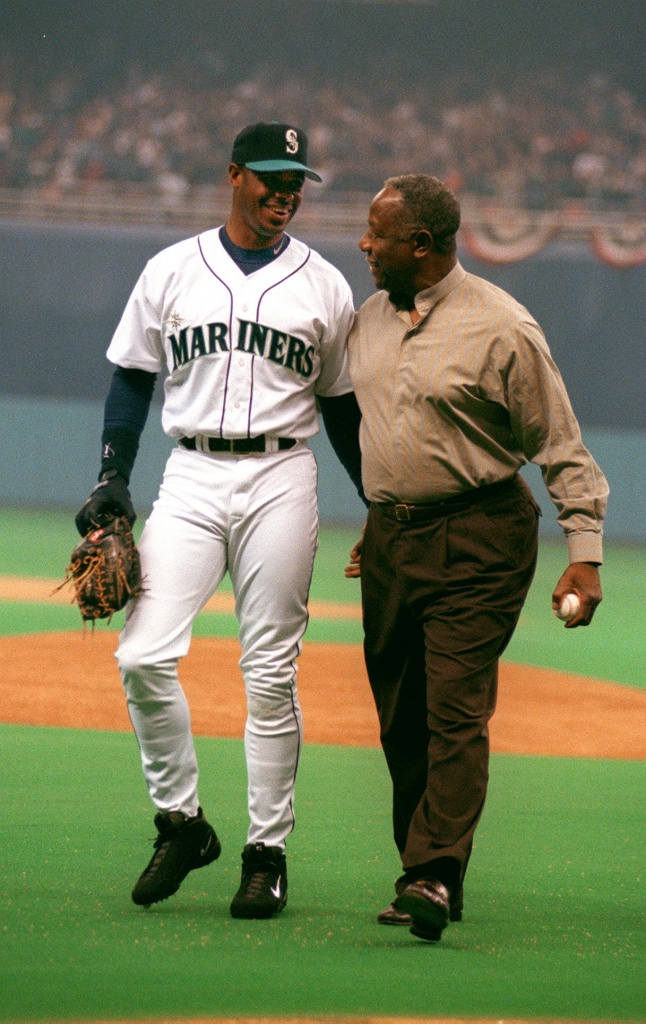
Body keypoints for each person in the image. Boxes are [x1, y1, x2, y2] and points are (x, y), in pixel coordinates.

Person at [75, 122, 363, 919]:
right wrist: (111, 477)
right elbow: (132, 378)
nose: (285, 193)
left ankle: (266, 854)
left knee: (270, 674)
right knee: (141, 654)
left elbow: (340, 409)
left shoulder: (325, 285)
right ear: (233, 175)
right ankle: (182, 823)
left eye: (296, 180)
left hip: (280, 474)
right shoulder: (172, 268)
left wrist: (377, 502)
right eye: (271, 177)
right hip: (192, 474)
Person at [345, 173, 608, 942]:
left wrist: (584, 553)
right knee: (401, 717)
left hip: (481, 535)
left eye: (376, 232)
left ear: (420, 244)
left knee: (454, 708)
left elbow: (561, 446)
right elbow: (388, 432)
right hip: (394, 538)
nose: (363, 244)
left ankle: (432, 873)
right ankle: (424, 867)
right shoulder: (368, 321)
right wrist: (383, 511)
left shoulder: (503, 328)